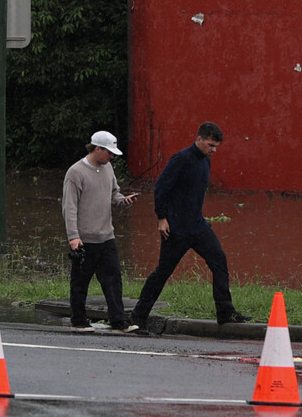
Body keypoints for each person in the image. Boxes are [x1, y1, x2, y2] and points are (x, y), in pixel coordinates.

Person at [130, 122, 249, 332]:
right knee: (162, 272)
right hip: (176, 230)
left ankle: (225, 312)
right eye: (211, 145)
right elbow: (160, 188)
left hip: (198, 226)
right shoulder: (181, 159)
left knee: (219, 261)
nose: (214, 150)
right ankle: (137, 318)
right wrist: (162, 218)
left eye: (216, 146)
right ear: (199, 139)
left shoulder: (205, 161)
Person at [63, 130, 136, 332]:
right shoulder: (75, 173)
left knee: (113, 280)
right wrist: (73, 237)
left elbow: (114, 194)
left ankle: (118, 321)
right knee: (80, 282)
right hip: (84, 239)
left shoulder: (108, 168)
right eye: (109, 153)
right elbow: (69, 207)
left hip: (107, 236)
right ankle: (78, 321)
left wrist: (123, 201)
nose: (111, 157)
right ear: (97, 149)